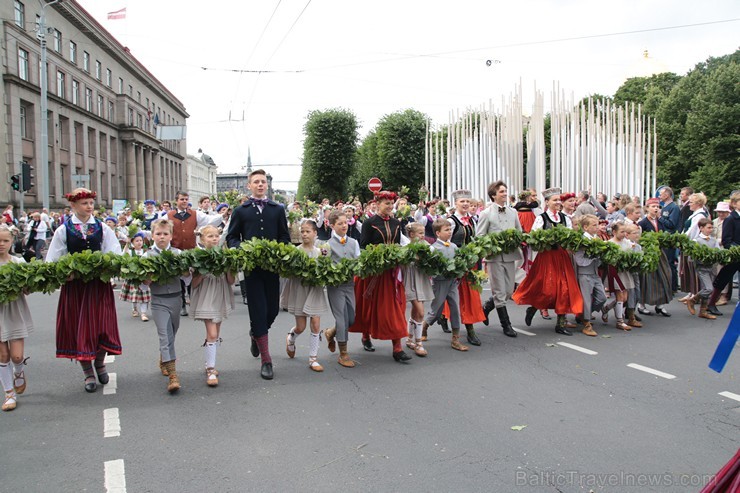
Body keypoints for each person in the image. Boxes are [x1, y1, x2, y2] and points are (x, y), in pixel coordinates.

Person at [46, 188, 123, 393]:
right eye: (84, 203)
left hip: (98, 285)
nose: (89, 207)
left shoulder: (102, 228)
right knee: (80, 328)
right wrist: (64, 272)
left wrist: (108, 269)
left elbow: (114, 253)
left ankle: (99, 362)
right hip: (76, 287)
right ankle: (87, 370)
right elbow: (52, 259)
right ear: (73, 206)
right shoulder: (64, 230)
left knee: (102, 326)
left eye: (91, 203)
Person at [226, 169, 291, 380]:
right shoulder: (241, 210)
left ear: (267, 185)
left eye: (263, 182)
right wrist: (242, 248)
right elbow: (232, 237)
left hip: (272, 269)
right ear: (249, 185)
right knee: (257, 310)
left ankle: (256, 335)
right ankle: (266, 360)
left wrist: (280, 250)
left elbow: (284, 236)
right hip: (252, 269)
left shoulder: (277, 209)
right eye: (256, 182)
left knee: (272, 310)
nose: (260, 185)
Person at [349, 190, 412, 363]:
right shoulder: (369, 223)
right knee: (368, 306)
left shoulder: (395, 222)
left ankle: (397, 348)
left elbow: (398, 244)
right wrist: (379, 252)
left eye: (392, 204)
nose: (390, 207)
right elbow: (363, 246)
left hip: (391, 272)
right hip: (374, 272)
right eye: (387, 204)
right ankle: (365, 335)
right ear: (377, 204)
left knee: (394, 308)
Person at [514, 187, 583, 335]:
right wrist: (544, 240)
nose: (558, 202)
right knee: (546, 289)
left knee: (564, 288)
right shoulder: (541, 218)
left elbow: (569, 237)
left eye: (559, 200)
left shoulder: (565, 219)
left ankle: (560, 323)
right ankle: (533, 307)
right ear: (547, 202)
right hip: (546, 257)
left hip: (562, 256)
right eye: (555, 200)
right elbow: (533, 238)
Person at [144, 219, 191, 393]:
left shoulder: (179, 254)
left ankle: (164, 358)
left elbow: (187, 279)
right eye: (158, 234)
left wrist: (185, 272)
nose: (162, 237)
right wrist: (146, 278)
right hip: (158, 300)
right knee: (165, 335)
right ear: (152, 236)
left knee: (172, 333)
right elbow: (143, 283)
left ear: (171, 235)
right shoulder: (147, 256)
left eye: (165, 234)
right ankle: (173, 376)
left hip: (176, 299)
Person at [191, 225, 235, 387]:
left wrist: (231, 268)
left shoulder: (224, 256)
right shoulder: (197, 256)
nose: (214, 239)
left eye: (216, 236)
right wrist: (203, 271)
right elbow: (194, 283)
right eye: (210, 236)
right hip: (206, 296)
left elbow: (231, 281)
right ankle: (210, 369)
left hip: (220, 294)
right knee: (212, 333)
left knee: (215, 333)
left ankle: (209, 361)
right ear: (202, 239)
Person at [282, 220, 330, 372]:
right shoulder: (295, 251)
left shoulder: (321, 252)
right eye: (302, 231)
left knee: (315, 323)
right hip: (300, 289)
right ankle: (291, 338)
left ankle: (313, 358)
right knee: (301, 326)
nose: (304, 234)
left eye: (308, 231)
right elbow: (288, 273)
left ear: (315, 233)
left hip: (315, 289)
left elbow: (326, 270)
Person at [476, 180, 522, 337]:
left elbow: (518, 232)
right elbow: (480, 236)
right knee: (499, 291)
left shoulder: (513, 212)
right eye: (502, 191)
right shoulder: (485, 213)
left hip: (510, 255)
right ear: (493, 195)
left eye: (505, 191)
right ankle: (506, 325)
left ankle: (487, 306)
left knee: (509, 291)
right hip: (494, 257)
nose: (505, 193)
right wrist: (488, 248)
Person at [167, 191, 223, 317]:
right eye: (182, 199)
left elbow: (209, 220)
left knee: (193, 275)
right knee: (179, 277)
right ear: (177, 201)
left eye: (186, 199)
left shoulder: (194, 214)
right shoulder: (169, 215)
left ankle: (193, 300)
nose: (185, 201)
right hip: (176, 250)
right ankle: (181, 304)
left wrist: (222, 215)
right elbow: (163, 228)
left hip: (191, 250)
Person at [445, 189, 485, 346]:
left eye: (468, 201)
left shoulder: (472, 220)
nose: (466, 204)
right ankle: (438, 319)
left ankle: (470, 329)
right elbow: (444, 241)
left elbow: (474, 238)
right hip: (456, 263)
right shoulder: (452, 221)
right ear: (456, 204)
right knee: (451, 295)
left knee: (470, 296)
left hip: (470, 263)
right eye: (462, 201)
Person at [0, 225, 33, 411]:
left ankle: (19, 371)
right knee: (3, 355)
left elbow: (27, 289)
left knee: (17, 355)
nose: (2, 244)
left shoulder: (18, 262)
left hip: (14, 310)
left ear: (12, 242)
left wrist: (25, 286)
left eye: (5, 241)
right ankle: (9, 394)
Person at [423, 219, 467, 351]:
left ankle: (455, 339)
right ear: (437, 233)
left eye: (450, 229)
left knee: (455, 309)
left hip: (452, 282)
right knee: (436, 311)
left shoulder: (453, 246)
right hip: (440, 283)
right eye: (446, 230)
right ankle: (425, 326)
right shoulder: (433, 248)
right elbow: (430, 268)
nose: (450, 232)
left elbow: (458, 261)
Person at [323, 210, 360, 368]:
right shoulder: (326, 246)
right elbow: (323, 266)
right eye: (340, 223)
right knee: (341, 318)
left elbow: (358, 261)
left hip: (349, 285)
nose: (344, 225)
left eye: (345, 222)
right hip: (335, 286)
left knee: (351, 318)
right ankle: (343, 353)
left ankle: (331, 332)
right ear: (332, 226)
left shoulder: (354, 242)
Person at [637, 198, 673, 317]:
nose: (656, 208)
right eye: (653, 206)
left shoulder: (661, 221)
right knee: (647, 279)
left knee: (665, 275)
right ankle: (641, 305)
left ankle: (660, 305)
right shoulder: (643, 223)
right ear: (647, 208)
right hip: (648, 253)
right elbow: (639, 239)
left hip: (660, 252)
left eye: (657, 206)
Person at [706, 192, 740, 316]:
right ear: (735, 204)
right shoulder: (731, 219)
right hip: (734, 256)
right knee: (723, 279)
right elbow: (727, 240)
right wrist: (736, 249)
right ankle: (711, 303)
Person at [402, 223, 432, 356]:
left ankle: (410, 339)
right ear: (411, 234)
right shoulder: (406, 248)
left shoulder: (426, 246)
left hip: (422, 280)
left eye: (423, 233)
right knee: (420, 313)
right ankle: (419, 343)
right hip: (411, 281)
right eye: (420, 233)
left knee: (416, 312)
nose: (423, 235)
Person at [573, 215, 606, 336]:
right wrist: (593, 257)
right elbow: (579, 260)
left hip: (595, 272)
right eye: (594, 225)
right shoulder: (582, 240)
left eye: (597, 225)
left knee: (602, 297)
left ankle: (584, 314)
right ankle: (587, 323)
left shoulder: (597, 239)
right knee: (586, 299)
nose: (597, 227)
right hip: (584, 273)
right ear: (585, 227)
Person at [600, 222, 634, 331]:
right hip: (615, 272)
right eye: (622, 232)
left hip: (625, 271)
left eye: (625, 232)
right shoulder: (609, 243)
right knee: (620, 296)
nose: (624, 234)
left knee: (625, 298)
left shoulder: (627, 243)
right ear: (614, 232)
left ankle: (606, 309)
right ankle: (620, 321)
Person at [685, 218, 720, 320]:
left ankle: (703, 311)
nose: (710, 230)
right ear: (701, 228)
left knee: (706, 288)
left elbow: (718, 252)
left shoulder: (713, 240)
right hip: (702, 268)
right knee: (709, 288)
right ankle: (692, 300)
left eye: (711, 228)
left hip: (711, 267)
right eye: (708, 228)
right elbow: (691, 257)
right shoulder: (696, 241)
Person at [120, 232, 151, 322]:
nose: (139, 242)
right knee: (134, 295)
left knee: (144, 295)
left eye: (141, 240)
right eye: (137, 241)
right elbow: (123, 255)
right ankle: (134, 308)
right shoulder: (130, 251)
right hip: (133, 277)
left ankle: (144, 313)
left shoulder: (146, 251)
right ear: (133, 242)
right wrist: (127, 243)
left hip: (143, 277)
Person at [658, 187, 681, 292]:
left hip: (670, 239)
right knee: (666, 262)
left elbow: (672, 224)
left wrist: (660, 218)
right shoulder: (664, 207)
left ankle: (673, 286)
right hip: (665, 239)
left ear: (667, 195)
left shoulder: (674, 208)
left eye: (661, 194)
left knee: (670, 262)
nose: (659, 196)